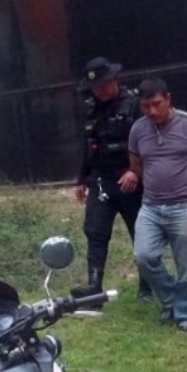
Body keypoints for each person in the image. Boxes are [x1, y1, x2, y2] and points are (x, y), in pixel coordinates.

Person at [128, 78, 187, 332]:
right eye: (146, 106)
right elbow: (136, 164)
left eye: (156, 104)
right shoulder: (138, 130)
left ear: (168, 99)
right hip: (151, 205)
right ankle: (172, 299)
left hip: (185, 204)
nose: (152, 111)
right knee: (143, 256)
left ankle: (186, 315)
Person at [72, 57, 152, 304]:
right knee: (95, 233)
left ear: (114, 80)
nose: (99, 91)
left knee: (140, 234)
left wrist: (135, 171)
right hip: (100, 181)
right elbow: (88, 146)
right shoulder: (89, 108)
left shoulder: (134, 105)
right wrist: (81, 179)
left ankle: (147, 286)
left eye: (104, 85)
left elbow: (148, 143)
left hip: (130, 181)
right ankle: (94, 289)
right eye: (95, 87)